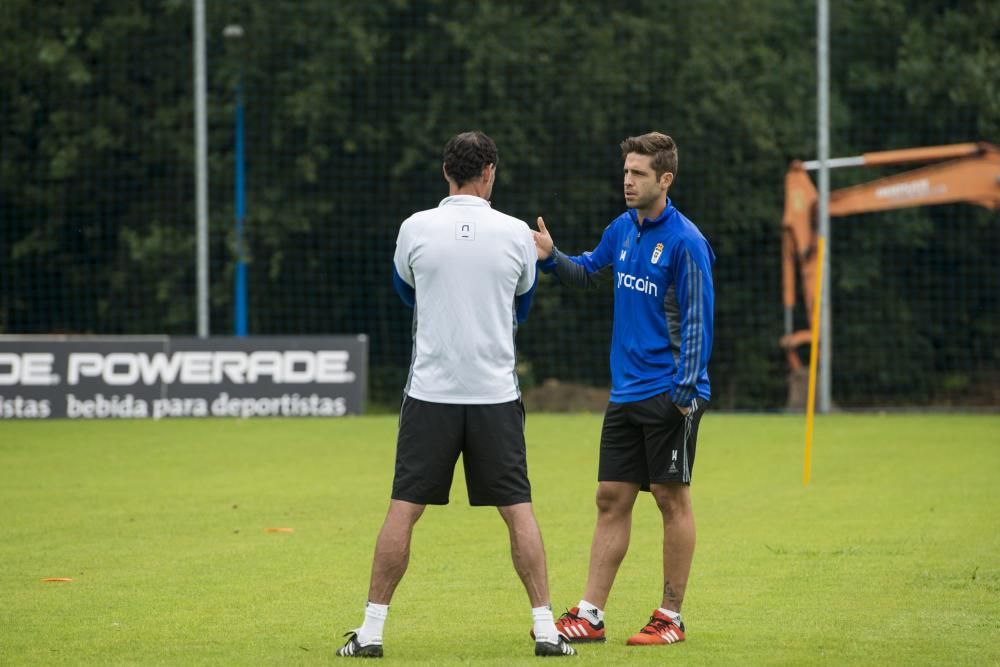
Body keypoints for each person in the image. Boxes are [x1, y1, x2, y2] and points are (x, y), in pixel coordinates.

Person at [337, 131, 576, 659]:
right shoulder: (517, 234)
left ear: (446, 171)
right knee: (519, 510)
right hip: (494, 393)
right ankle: (545, 631)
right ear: (489, 171)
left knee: (403, 511)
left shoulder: (415, 227)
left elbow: (406, 290)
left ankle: (371, 633)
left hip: (431, 393)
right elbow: (524, 303)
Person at [532, 132, 714, 647]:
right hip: (626, 393)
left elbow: (699, 323)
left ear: (665, 179)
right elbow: (589, 271)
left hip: (670, 393)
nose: (627, 181)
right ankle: (590, 614)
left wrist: (685, 393)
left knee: (669, 498)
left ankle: (670, 617)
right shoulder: (622, 228)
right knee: (611, 498)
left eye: (638, 173)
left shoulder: (686, 242)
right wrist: (551, 256)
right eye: (626, 172)